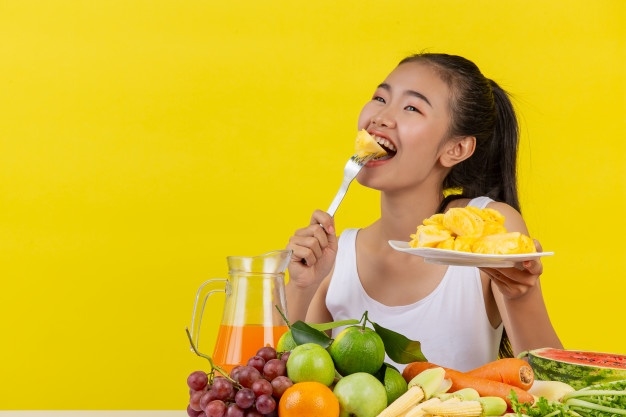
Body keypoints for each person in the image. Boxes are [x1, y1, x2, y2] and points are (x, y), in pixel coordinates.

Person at [285, 52, 563, 372]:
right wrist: (300, 287)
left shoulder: (486, 232)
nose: (382, 117)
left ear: (455, 149)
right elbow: (288, 389)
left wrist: (520, 297)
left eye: (411, 107)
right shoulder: (334, 259)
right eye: (380, 98)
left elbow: (554, 386)